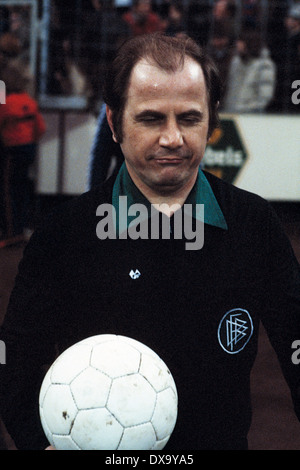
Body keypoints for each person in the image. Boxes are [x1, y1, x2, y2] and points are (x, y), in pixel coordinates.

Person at [0, 33, 299, 450]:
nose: (173, 138)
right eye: (151, 118)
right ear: (114, 122)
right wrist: (37, 440)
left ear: (211, 121)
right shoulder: (64, 234)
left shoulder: (255, 225)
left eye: (190, 118)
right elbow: (14, 357)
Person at [0, 65, 46, 241]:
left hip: (12, 150)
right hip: (29, 149)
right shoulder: (29, 101)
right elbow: (40, 128)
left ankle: (12, 232)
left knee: (8, 190)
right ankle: (23, 226)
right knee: (23, 187)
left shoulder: (6, 103)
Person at [222, 30, 276, 113]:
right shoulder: (236, 62)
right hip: (231, 113)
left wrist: (247, 109)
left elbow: (265, 96)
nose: (238, 46)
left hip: (251, 116)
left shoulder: (264, 65)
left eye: (241, 43)